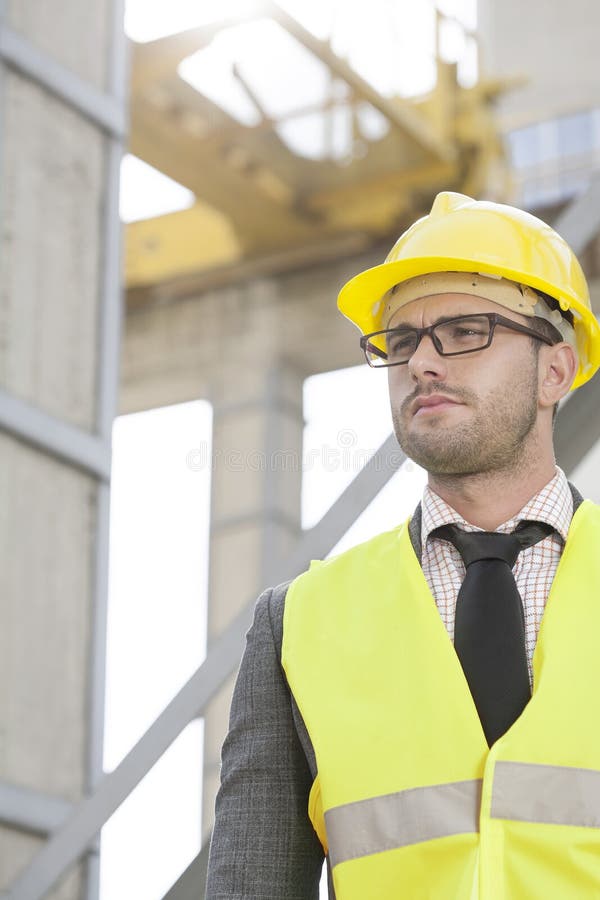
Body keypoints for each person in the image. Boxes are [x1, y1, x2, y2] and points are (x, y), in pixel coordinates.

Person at [205, 192, 600, 899]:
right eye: (401, 342)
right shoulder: (299, 623)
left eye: (465, 330)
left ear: (556, 371)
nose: (422, 362)